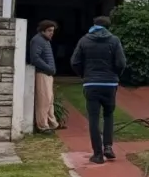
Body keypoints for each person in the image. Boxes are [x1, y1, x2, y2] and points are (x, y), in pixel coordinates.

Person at [71, 16, 127, 164]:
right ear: (108, 27)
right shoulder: (114, 40)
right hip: (109, 84)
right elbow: (121, 62)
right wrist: (115, 75)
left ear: (94, 25)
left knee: (93, 118)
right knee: (108, 115)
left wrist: (84, 75)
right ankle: (108, 147)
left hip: (91, 84)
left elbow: (74, 62)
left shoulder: (84, 40)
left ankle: (97, 154)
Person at [29, 20, 59, 134]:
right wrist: (48, 68)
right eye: (49, 31)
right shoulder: (38, 40)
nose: (52, 33)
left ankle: (52, 123)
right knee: (43, 101)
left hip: (48, 74)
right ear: (43, 30)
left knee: (49, 100)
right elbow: (35, 58)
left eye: (53, 31)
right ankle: (43, 126)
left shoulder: (45, 40)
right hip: (42, 74)